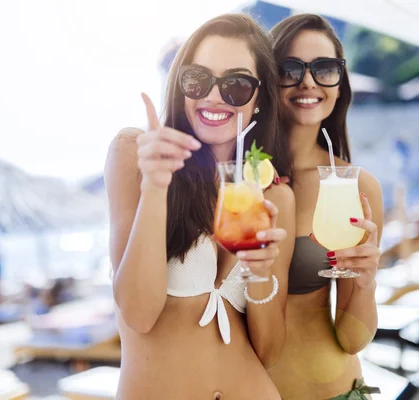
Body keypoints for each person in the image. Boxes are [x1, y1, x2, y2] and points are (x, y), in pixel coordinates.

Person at [105, 13, 296, 399]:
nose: (213, 95)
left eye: (237, 84)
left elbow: (270, 351)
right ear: (181, 85)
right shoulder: (136, 153)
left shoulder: (273, 196)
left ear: (260, 99)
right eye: (198, 79)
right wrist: (157, 186)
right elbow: (138, 314)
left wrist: (260, 274)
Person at [268, 14, 384, 400]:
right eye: (290, 68)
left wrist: (365, 285)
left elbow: (353, 339)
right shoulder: (236, 177)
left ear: (340, 82)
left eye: (325, 68)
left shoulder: (355, 186)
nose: (308, 82)